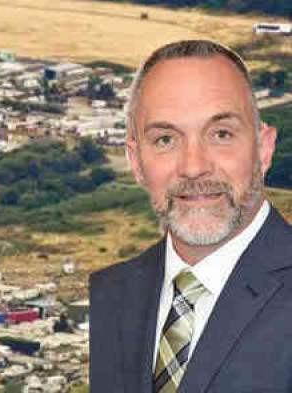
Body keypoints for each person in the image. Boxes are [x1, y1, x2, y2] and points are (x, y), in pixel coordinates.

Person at [89, 39, 292, 393]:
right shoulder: (105, 294)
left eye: (221, 134)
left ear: (264, 149)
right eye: (166, 139)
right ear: (136, 162)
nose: (194, 167)